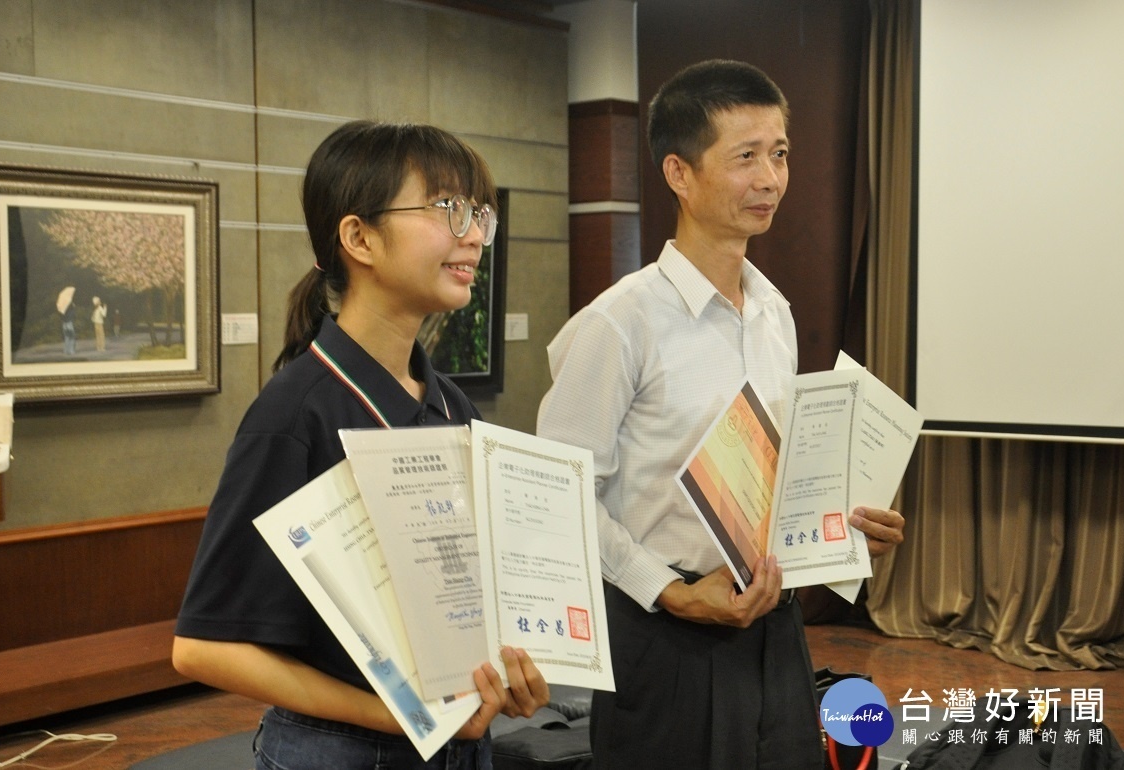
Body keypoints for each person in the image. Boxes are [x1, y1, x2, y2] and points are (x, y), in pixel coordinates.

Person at [535, 59, 906, 768]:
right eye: (745, 158)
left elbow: (771, 478)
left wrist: (844, 524)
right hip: (663, 639)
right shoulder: (620, 324)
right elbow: (559, 496)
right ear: (679, 172)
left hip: (774, 630)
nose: (770, 179)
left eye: (780, 154)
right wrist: (670, 591)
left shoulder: (774, 313)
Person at [173, 121, 549, 770]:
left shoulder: (449, 404)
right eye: (447, 208)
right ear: (359, 238)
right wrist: (402, 713)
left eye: (479, 211)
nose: (474, 233)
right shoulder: (295, 413)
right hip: (337, 753)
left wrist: (504, 677)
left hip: (457, 746)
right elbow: (204, 648)